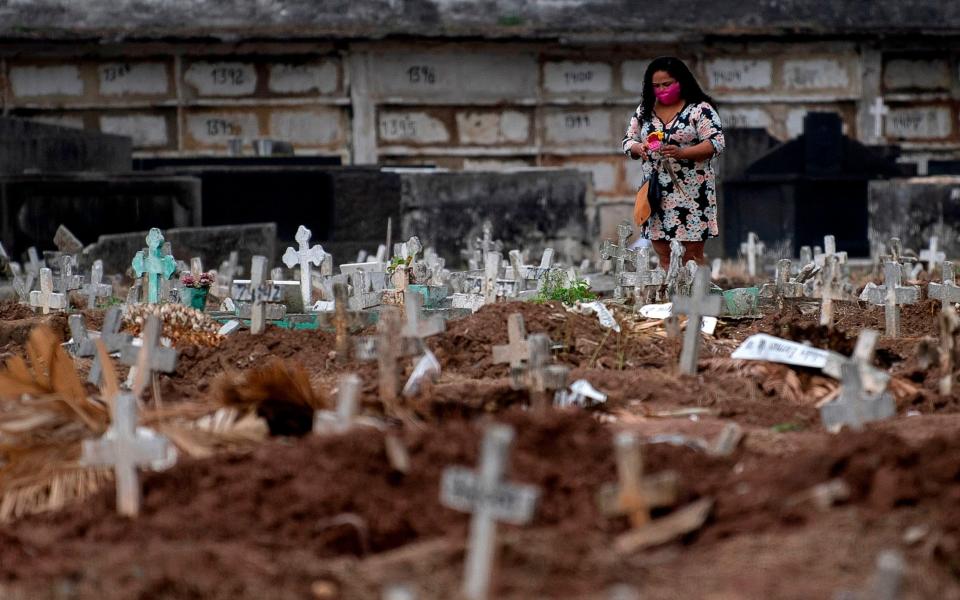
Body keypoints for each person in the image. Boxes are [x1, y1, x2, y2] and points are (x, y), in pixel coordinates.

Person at [621, 56, 725, 267]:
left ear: (681, 82)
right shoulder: (645, 111)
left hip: (692, 193)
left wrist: (682, 153)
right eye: (656, 86)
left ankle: (697, 298)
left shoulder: (699, 109)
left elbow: (716, 142)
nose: (661, 89)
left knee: (691, 256)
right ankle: (670, 297)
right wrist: (639, 148)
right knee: (664, 254)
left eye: (667, 84)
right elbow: (628, 140)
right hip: (657, 192)